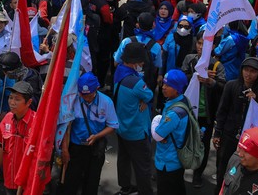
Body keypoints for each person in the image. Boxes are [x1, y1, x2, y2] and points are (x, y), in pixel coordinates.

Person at [214, 57, 258, 194]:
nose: (248, 74)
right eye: (246, 70)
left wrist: (255, 102)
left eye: (253, 71)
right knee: (222, 169)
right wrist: (217, 133)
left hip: (249, 141)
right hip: (228, 136)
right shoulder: (231, 86)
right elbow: (222, 111)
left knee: (243, 170)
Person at [61, 72, 119, 195]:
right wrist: (65, 149)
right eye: (83, 95)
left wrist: (97, 136)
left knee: (91, 184)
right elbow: (66, 126)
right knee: (70, 183)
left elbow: (113, 126)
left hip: (95, 150)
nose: (85, 98)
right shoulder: (72, 100)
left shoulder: (106, 102)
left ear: (96, 89)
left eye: (89, 95)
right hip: (75, 148)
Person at [113, 43, 154, 195]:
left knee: (123, 160)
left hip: (122, 127)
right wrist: (143, 100)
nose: (142, 64)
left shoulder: (119, 71)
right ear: (134, 61)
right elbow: (149, 95)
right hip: (136, 131)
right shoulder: (136, 83)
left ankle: (125, 187)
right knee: (142, 166)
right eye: (141, 61)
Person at [0, 81, 35, 195]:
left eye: (17, 99)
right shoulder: (5, 119)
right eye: (10, 98)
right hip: (9, 180)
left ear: (29, 102)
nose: (12, 102)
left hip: (29, 183)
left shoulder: (38, 123)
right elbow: (1, 146)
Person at [151, 69, 190, 195]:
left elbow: (157, 135)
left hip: (168, 162)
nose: (163, 87)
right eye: (164, 83)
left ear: (177, 88)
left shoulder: (174, 113)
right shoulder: (183, 100)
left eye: (168, 85)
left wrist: (156, 120)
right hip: (176, 161)